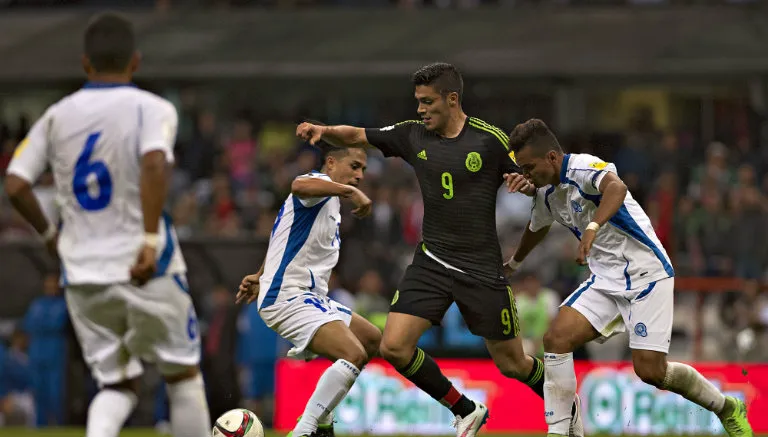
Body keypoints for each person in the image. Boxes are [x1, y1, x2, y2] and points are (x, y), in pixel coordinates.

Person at [296, 62, 582, 437]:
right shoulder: (412, 136)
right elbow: (359, 135)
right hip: (431, 262)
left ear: (451, 99)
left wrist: (525, 182)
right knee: (394, 346)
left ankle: (566, 405)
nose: (420, 109)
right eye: (417, 101)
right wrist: (324, 130)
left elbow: (533, 178)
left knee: (512, 364)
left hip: (481, 269)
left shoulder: (489, 139)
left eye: (427, 101)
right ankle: (465, 410)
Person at [4, 13, 210, 437]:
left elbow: (16, 184)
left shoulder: (56, 116)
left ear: (85, 64)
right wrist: (150, 240)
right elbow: (155, 162)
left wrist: (48, 235)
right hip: (145, 264)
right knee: (182, 375)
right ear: (135, 62)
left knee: (117, 384)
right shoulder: (152, 108)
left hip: (81, 273)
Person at [504, 118, 753, 437]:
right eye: (521, 170)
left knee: (650, 371)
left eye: (529, 168)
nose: (526, 176)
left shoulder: (581, 167)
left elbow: (616, 187)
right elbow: (536, 228)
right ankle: (561, 431)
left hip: (647, 275)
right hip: (605, 281)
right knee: (556, 339)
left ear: (552, 157)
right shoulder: (545, 195)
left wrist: (592, 228)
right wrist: (514, 262)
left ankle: (726, 407)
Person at [236, 144, 382, 437]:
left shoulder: (329, 203)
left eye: (363, 170)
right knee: (352, 353)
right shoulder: (320, 186)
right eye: (354, 166)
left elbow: (285, 235)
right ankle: (306, 429)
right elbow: (297, 184)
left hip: (309, 296)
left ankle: (323, 421)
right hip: (288, 296)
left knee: (371, 339)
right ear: (331, 163)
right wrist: (349, 191)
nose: (359, 175)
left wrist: (261, 275)